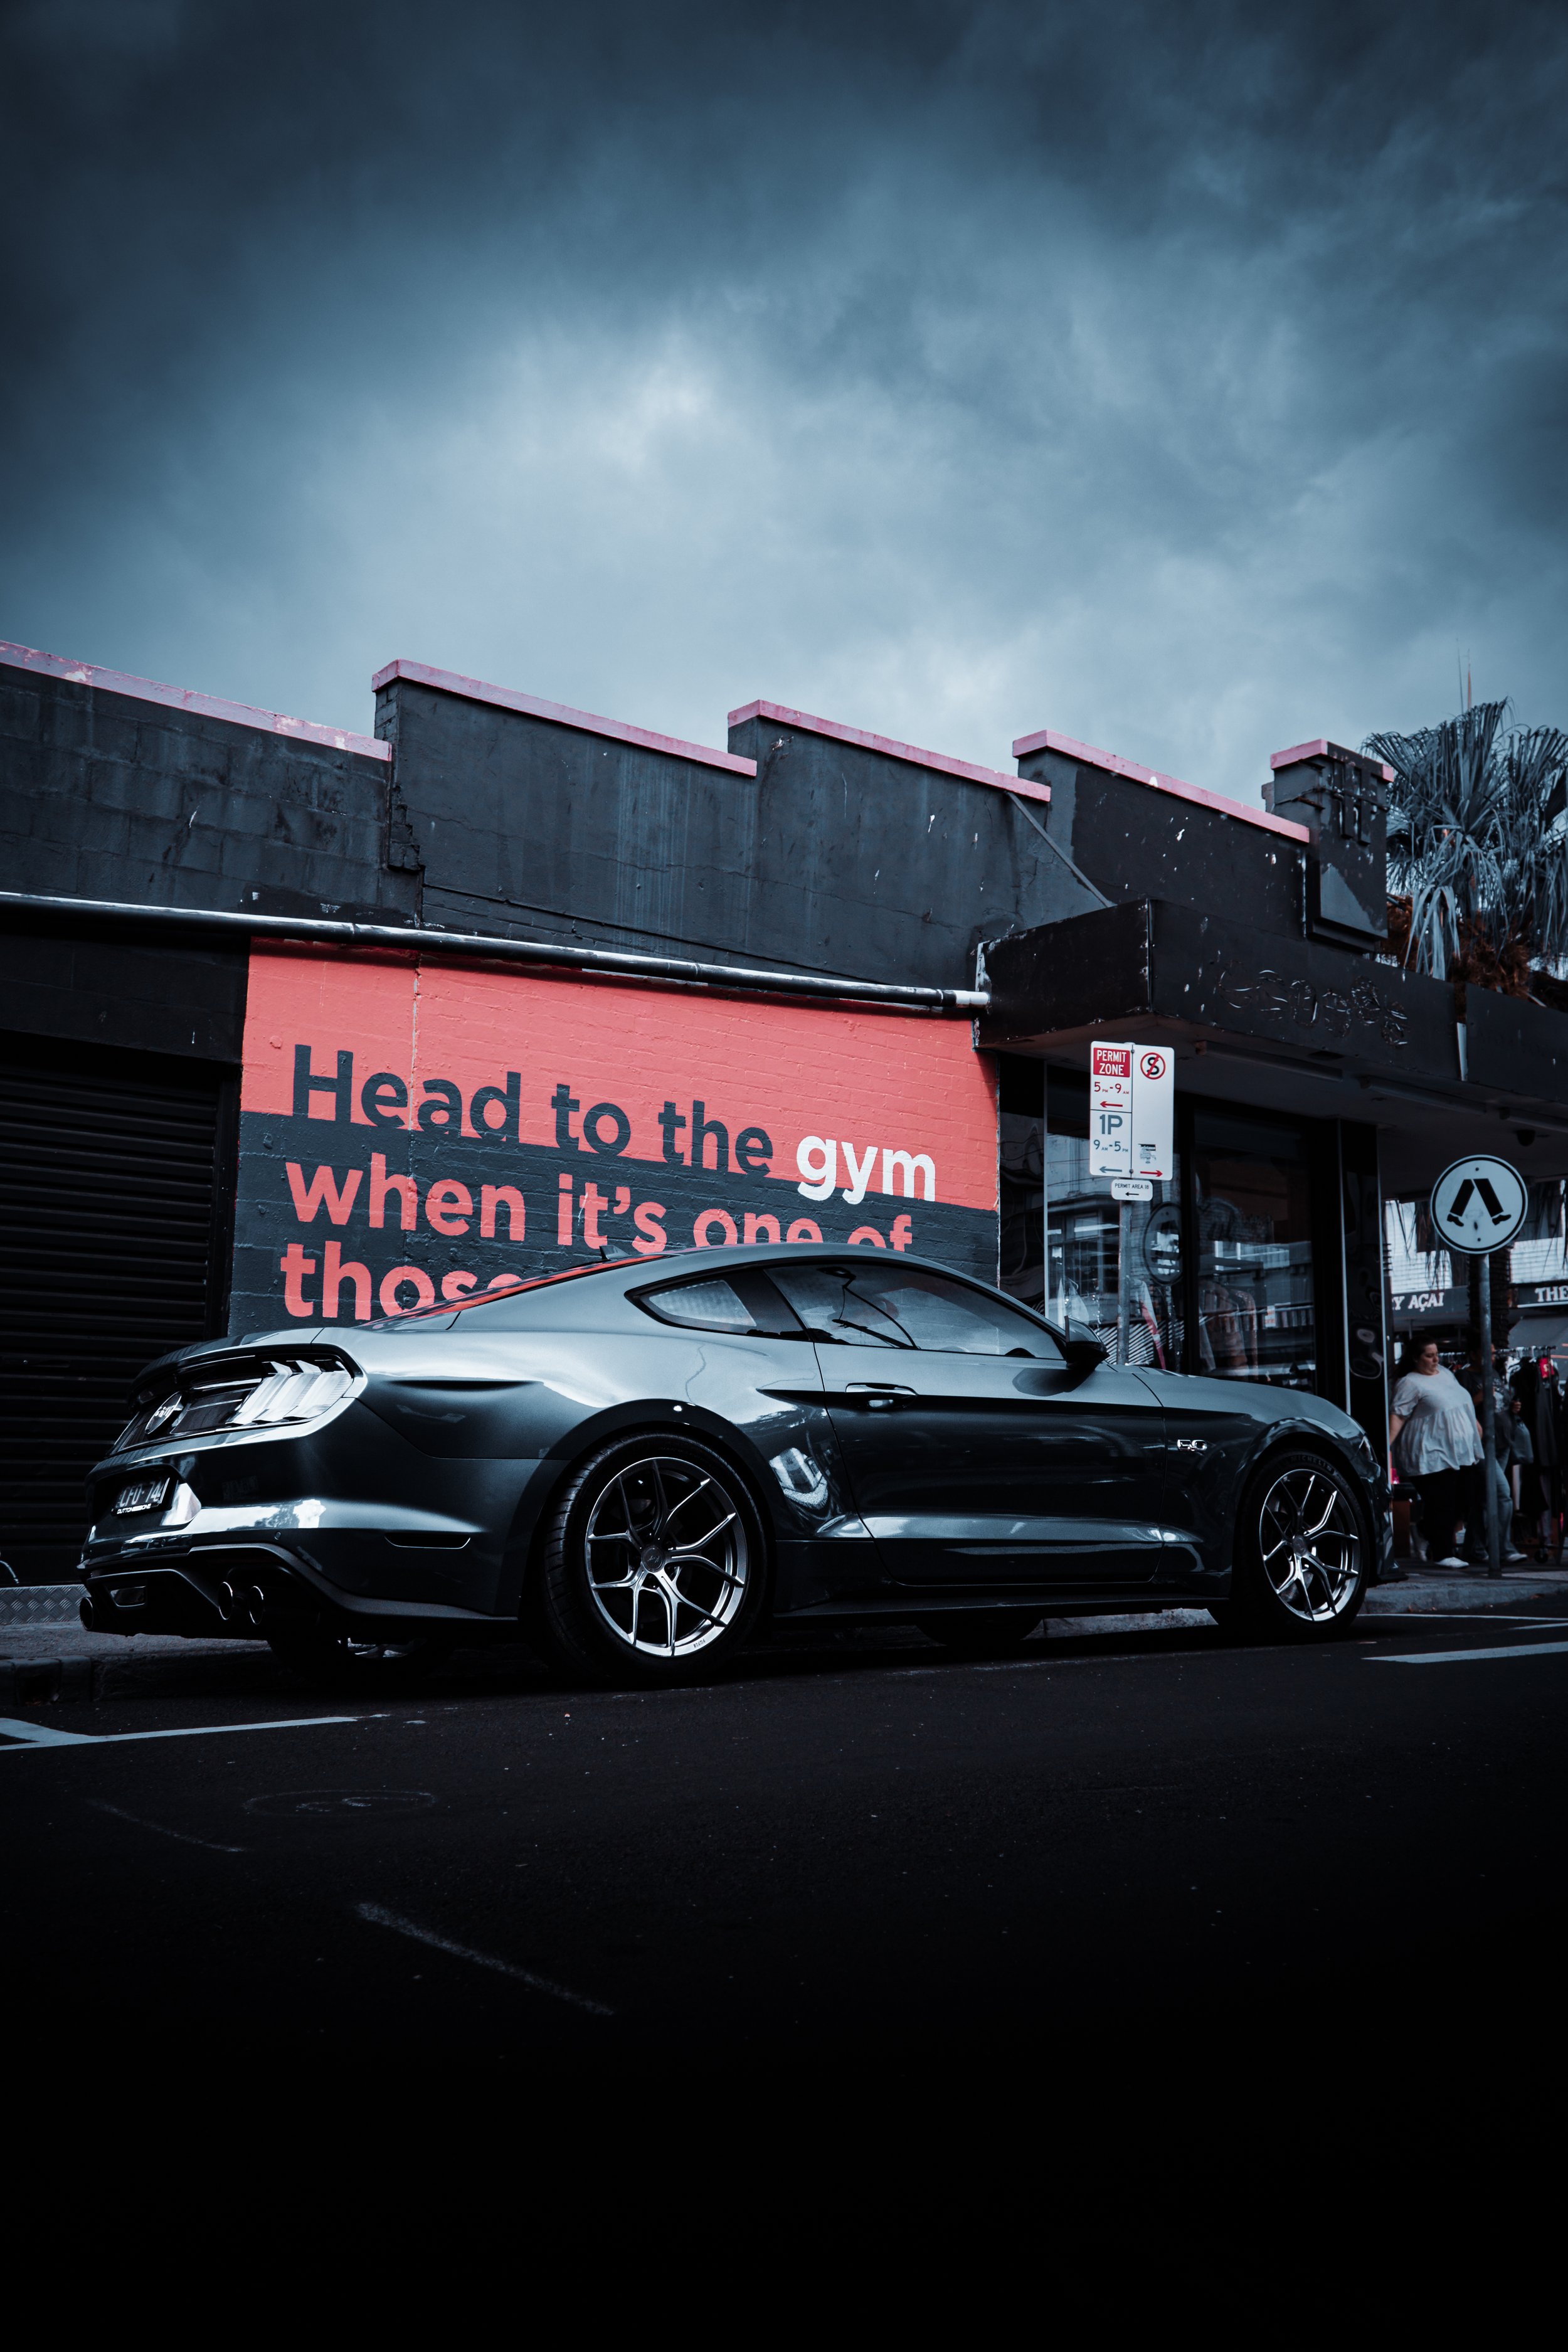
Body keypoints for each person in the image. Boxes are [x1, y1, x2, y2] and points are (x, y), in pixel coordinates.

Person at [1389, 1338, 1482, 1569]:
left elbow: (1459, 1402)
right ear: (1415, 1358)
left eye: (1437, 1354)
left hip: (1459, 1451)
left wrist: (1475, 1426)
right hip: (1430, 1453)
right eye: (1429, 1356)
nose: (1436, 1359)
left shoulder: (1445, 1373)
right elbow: (1398, 1416)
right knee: (1443, 1502)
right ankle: (1442, 1553)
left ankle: (1423, 1530)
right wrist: (1385, 1448)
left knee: (1467, 1498)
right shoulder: (1410, 1383)